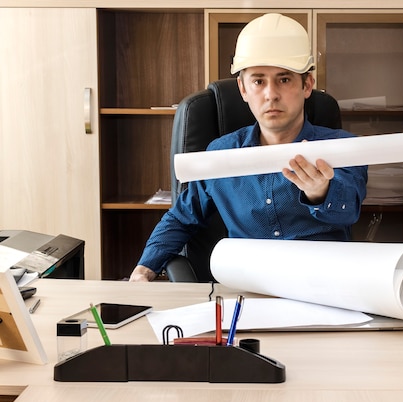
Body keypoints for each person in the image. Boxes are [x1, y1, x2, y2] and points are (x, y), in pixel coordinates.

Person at [129, 13, 368, 282]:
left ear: (307, 85)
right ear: (243, 89)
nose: (271, 94)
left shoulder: (342, 149)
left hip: (323, 288)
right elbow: (182, 217)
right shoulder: (221, 155)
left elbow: (350, 209)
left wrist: (321, 192)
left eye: (284, 79)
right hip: (246, 290)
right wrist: (144, 269)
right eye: (258, 81)